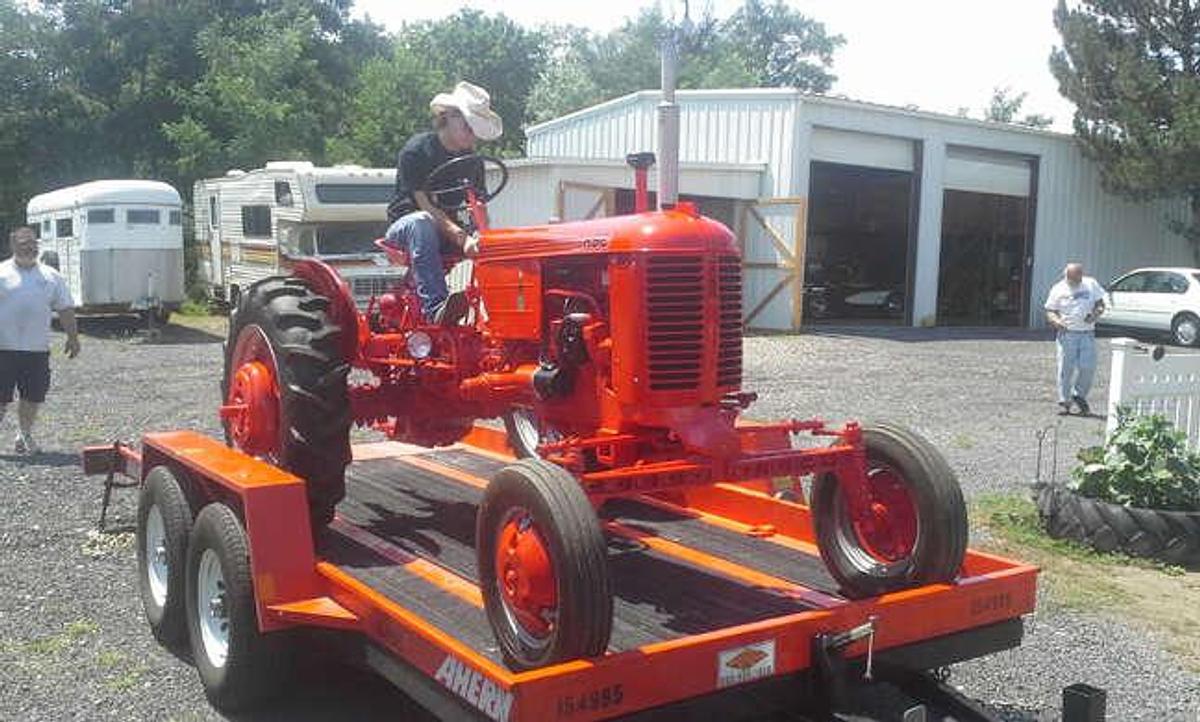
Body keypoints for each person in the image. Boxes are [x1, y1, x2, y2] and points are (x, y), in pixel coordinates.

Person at [384, 81, 502, 325]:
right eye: (468, 127)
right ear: (449, 116)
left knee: (501, 246)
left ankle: (501, 317)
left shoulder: (472, 161)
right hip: (406, 230)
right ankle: (435, 307)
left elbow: (478, 205)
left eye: (476, 130)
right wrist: (463, 239)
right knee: (422, 222)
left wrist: (484, 238)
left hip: (447, 232)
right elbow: (426, 206)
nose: (472, 135)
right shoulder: (416, 151)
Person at [0, 226, 80, 454]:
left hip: (36, 349)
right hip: (3, 348)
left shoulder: (51, 276)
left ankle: (24, 435)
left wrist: (73, 337)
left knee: (32, 396)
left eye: (33, 243)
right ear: (13, 245)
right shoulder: (2, 272)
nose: (30, 247)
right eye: (24, 243)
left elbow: (65, 308)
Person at [1044, 262, 1105, 415]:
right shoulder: (1058, 288)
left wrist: (1095, 314)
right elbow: (1050, 311)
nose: (1076, 281)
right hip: (1067, 333)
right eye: (1073, 279)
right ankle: (1065, 401)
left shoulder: (1091, 284)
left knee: (1088, 367)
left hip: (1087, 333)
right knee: (1066, 368)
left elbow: (1100, 304)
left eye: (1079, 278)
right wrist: (1057, 322)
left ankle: (1079, 395)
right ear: (1066, 276)